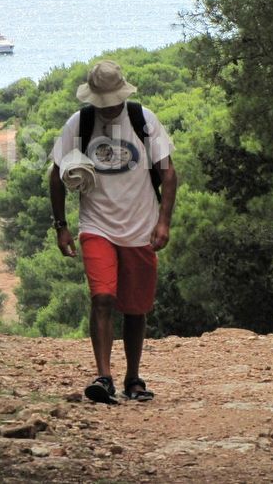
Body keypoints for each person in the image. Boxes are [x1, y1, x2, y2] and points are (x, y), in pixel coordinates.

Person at [49, 60, 177, 404]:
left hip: (141, 227)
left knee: (135, 309)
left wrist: (163, 221)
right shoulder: (80, 123)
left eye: (112, 102)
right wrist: (61, 226)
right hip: (96, 226)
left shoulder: (143, 120)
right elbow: (56, 175)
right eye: (101, 103)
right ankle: (103, 377)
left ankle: (133, 378)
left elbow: (168, 174)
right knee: (102, 298)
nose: (107, 109)